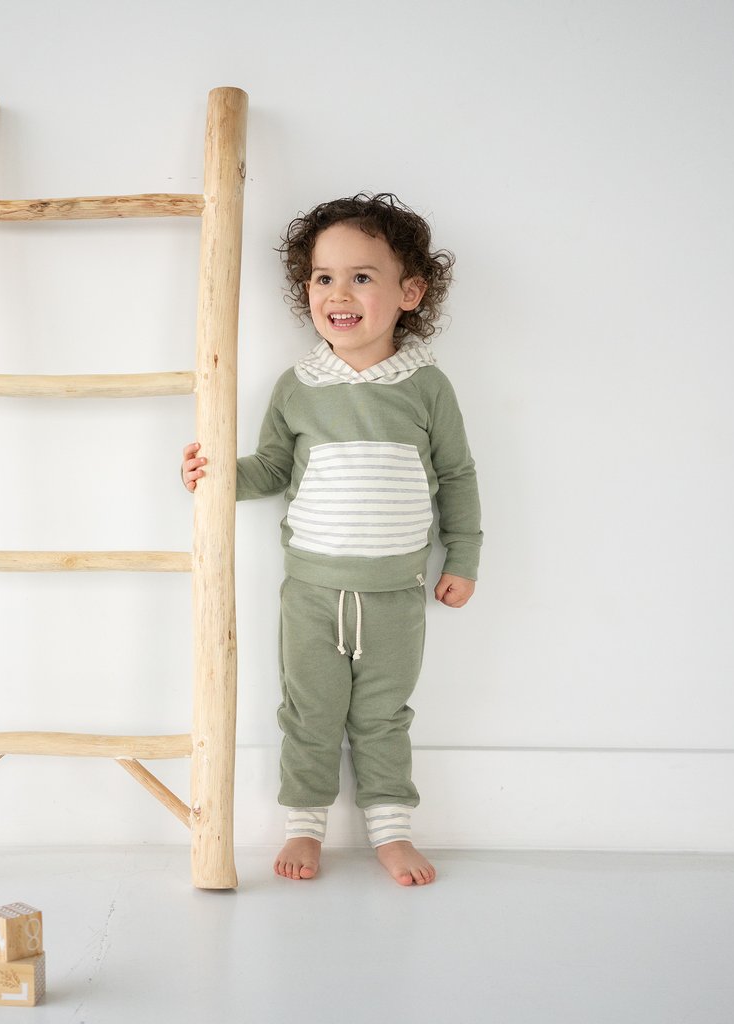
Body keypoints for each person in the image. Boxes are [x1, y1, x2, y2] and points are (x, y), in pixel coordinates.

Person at [182, 193, 481, 886]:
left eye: (362, 277)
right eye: (323, 278)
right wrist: (216, 475)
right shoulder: (298, 387)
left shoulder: (426, 387)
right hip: (311, 592)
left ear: (410, 291)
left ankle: (390, 828)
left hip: (396, 596)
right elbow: (273, 470)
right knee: (309, 712)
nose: (338, 293)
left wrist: (463, 558)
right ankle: (305, 823)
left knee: (383, 716)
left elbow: (457, 476)